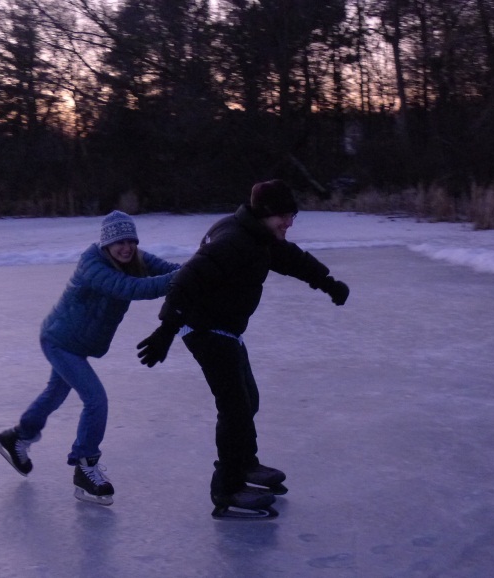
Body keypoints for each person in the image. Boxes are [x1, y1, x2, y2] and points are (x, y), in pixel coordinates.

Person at [136, 180, 350, 518]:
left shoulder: (260, 237)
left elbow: (294, 260)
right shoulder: (234, 241)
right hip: (205, 328)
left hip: (225, 328)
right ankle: (227, 486)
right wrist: (166, 329)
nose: (289, 223)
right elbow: (186, 280)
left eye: (292, 216)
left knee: (247, 400)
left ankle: (245, 463)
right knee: (234, 407)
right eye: (284, 216)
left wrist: (327, 283)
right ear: (265, 213)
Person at [0, 211, 180, 506]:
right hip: (59, 340)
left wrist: (199, 269)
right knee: (96, 400)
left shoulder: (135, 259)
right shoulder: (92, 265)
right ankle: (85, 466)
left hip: (76, 343)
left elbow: (170, 269)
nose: (126, 247)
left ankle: (17, 437)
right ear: (106, 243)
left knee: (55, 392)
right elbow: (134, 288)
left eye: (131, 240)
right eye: (119, 242)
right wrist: (183, 277)